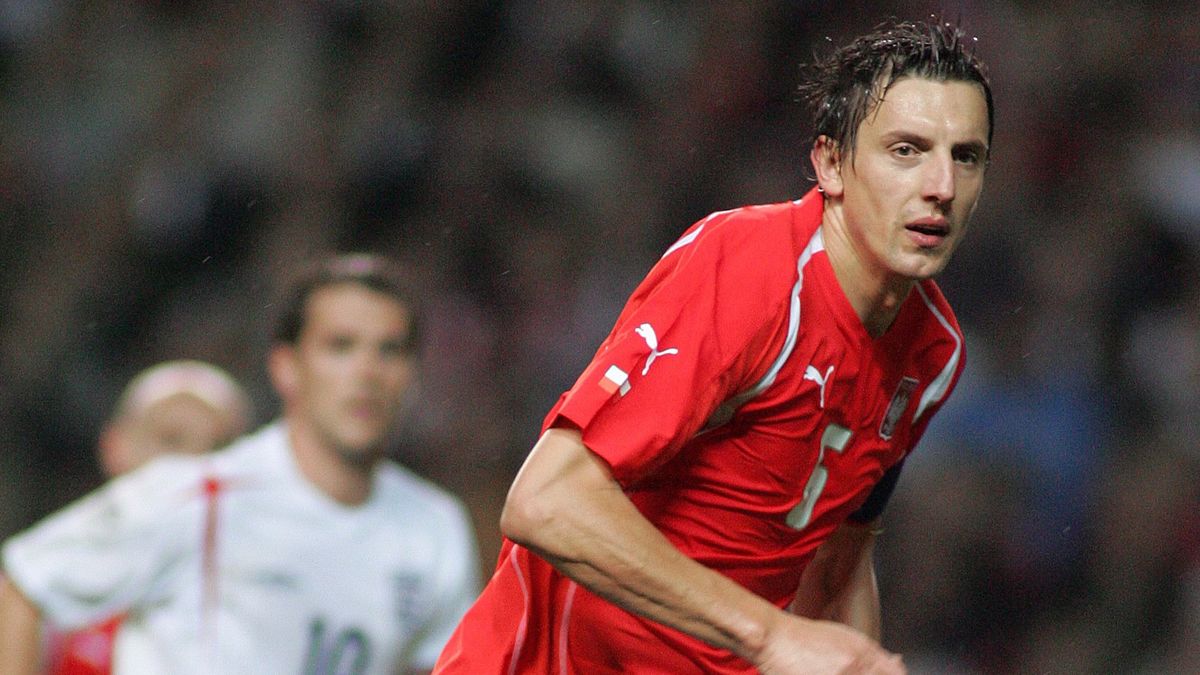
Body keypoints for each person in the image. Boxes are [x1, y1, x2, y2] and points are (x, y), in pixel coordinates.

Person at [433, 18, 992, 675]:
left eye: (966, 156)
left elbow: (839, 557)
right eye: (906, 150)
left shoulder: (934, 353)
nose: (942, 187)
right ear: (831, 163)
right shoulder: (749, 271)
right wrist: (769, 635)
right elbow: (545, 501)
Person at [0, 254, 482, 675]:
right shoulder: (198, 494)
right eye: (341, 346)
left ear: (413, 375)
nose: (367, 373)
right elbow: (23, 584)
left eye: (389, 350)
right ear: (286, 367)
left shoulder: (435, 526)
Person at [42, 360, 254, 675]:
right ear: (115, 446)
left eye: (218, 447)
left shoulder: (267, 593)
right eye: (171, 440)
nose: (193, 465)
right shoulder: (40, 585)